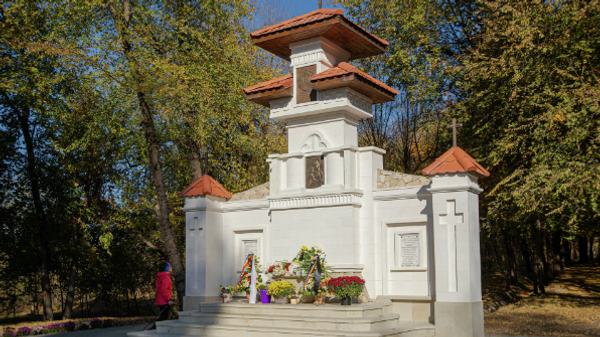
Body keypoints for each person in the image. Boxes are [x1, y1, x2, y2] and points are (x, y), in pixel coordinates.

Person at [150, 261, 173, 330]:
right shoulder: (165, 277)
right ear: (167, 268)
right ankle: (154, 328)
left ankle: (156, 328)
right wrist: (168, 299)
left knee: (164, 316)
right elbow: (164, 290)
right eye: (170, 267)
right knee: (164, 316)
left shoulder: (161, 276)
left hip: (161, 300)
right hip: (164, 300)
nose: (171, 268)